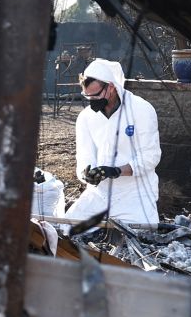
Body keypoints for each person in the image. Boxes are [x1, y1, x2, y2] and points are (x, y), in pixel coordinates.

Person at [62, 58, 161, 226]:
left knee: (139, 233)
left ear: (111, 87)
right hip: (99, 193)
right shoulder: (85, 117)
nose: (92, 100)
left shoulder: (141, 110)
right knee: (67, 228)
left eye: (96, 95)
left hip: (135, 192)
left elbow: (151, 156)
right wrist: (86, 175)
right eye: (87, 96)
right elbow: (84, 157)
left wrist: (116, 171)